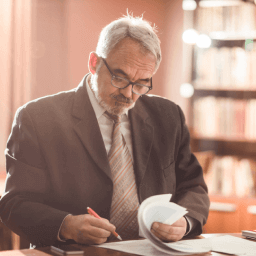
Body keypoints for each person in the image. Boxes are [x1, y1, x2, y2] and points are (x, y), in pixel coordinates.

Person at [0, 14, 210, 248]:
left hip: (153, 251)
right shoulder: (38, 118)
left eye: (141, 83)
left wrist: (186, 221)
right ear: (94, 63)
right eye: (120, 78)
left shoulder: (168, 116)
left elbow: (193, 186)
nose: (130, 94)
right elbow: (14, 204)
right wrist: (66, 225)